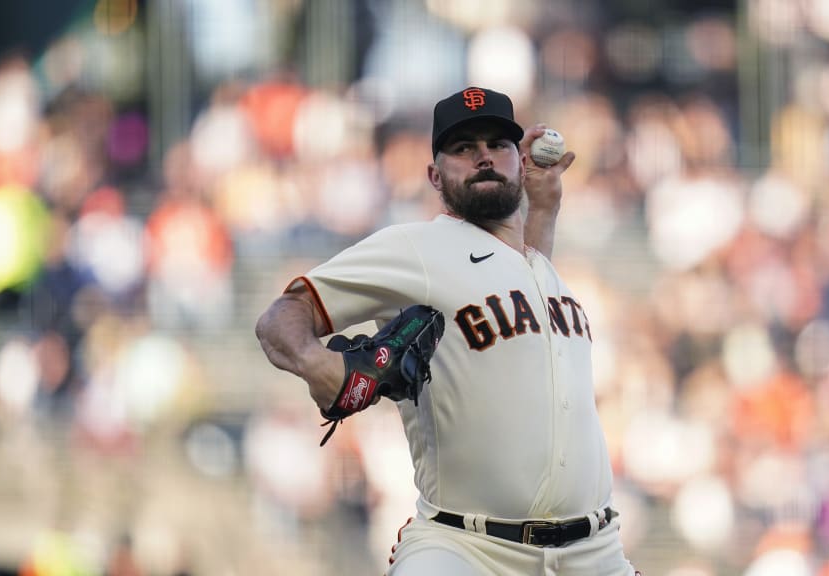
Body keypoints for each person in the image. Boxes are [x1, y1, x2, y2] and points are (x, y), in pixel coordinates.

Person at [256, 86, 640, 576]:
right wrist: (321, 366)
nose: (483, 156)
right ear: (435, 176)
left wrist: (544, 208)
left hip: (595, 552)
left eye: (497, 145)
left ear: (519, 164)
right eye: (463, 148)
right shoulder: (417, 248)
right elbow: (282, 317)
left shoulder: (541, 267)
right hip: (468, 549)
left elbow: (514, 283)